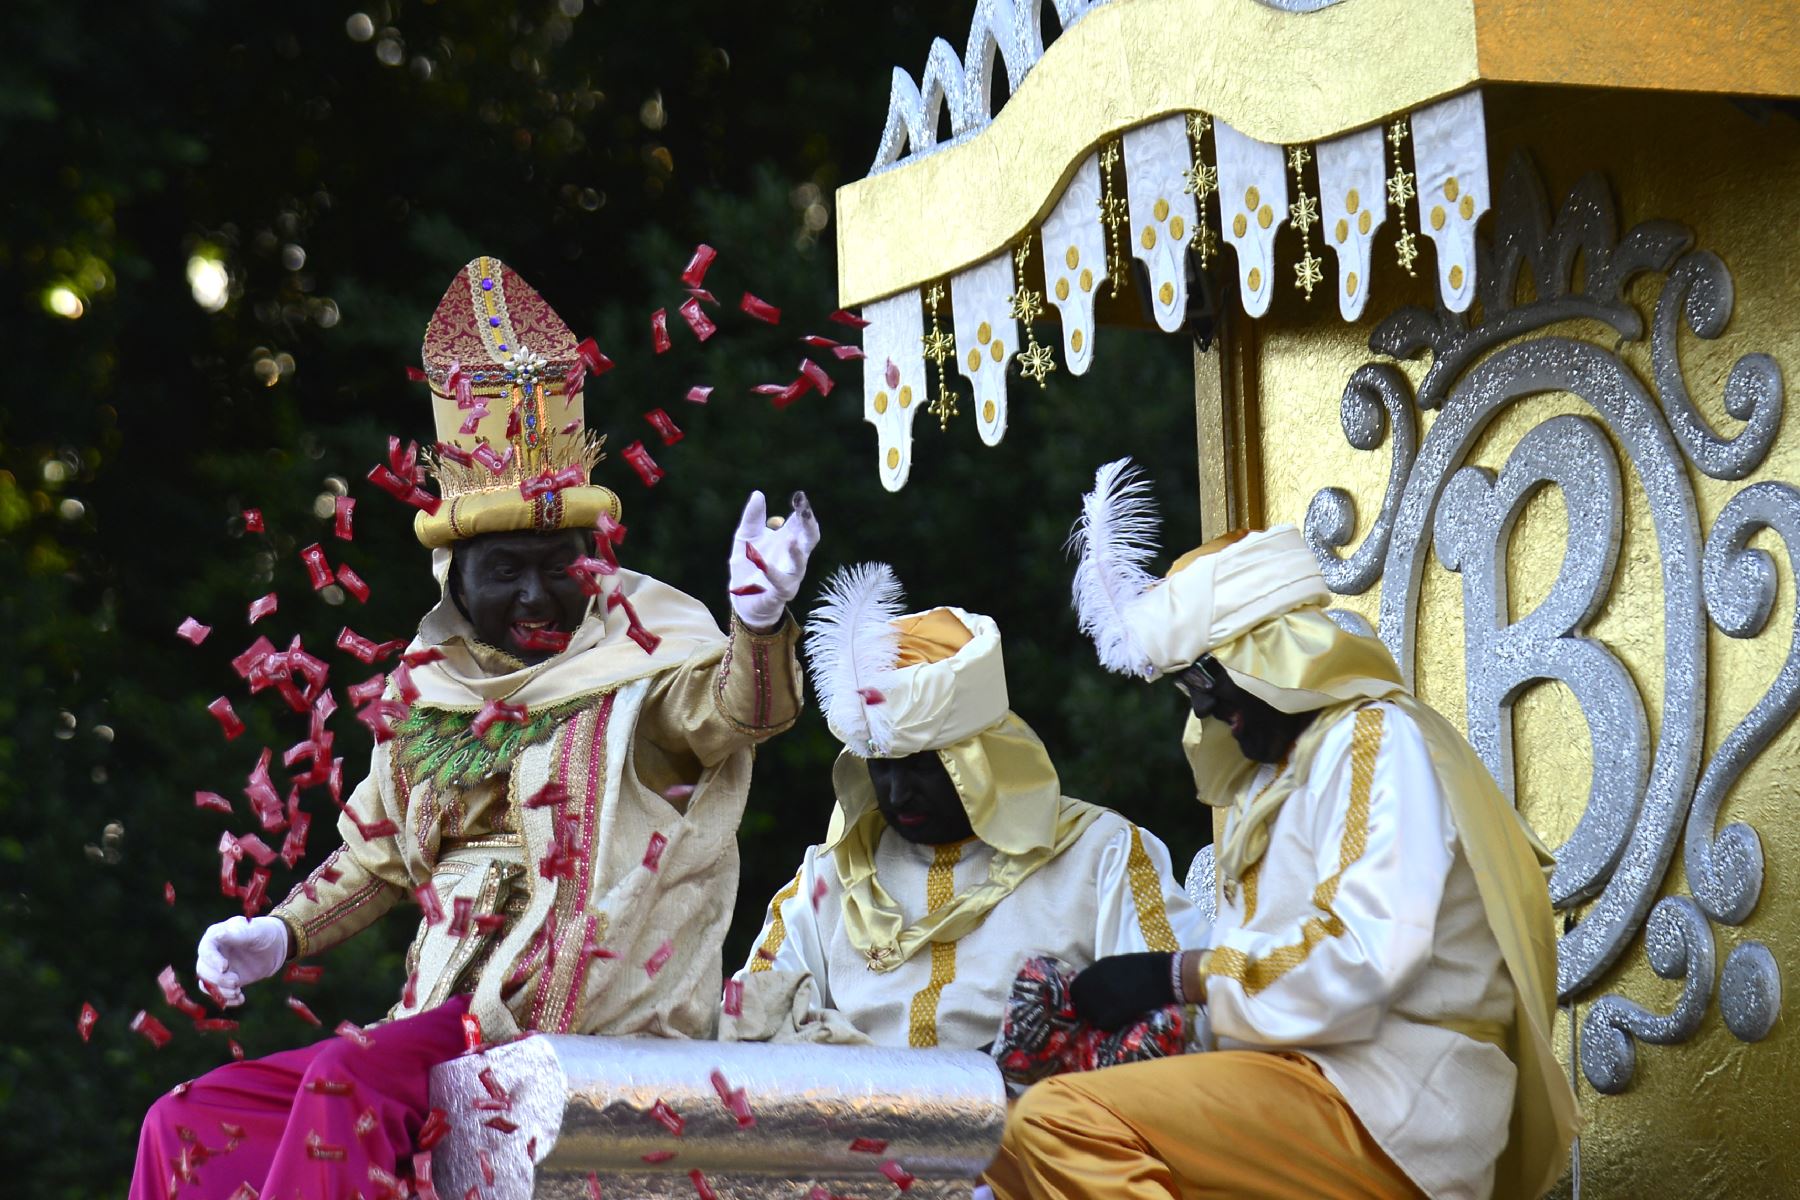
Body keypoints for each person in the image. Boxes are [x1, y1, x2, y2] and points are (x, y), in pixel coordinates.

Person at [131, 257, 819, 1200]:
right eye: (506, 572)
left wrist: (760, 622)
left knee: (343, 1082)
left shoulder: (641, 662)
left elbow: (741, 712)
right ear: (455, 580)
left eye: (558, 566)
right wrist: (283, 935)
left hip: (558, 1018)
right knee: (186, 1122)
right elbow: (375, 853)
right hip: (438, 1021)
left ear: (593, 562)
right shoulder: (425, 688)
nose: (537, 594)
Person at [985, 459, 1577, 1200]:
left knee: (1062, 1123)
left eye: (1205, 681)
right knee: (1000, 1142)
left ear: (1269, 656)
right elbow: (1259, 999)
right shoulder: (1278, 778)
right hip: (1297, 1092)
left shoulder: (1374, 739)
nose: (1203, 710)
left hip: (1392, 1106)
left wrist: (1177, 977)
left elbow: (1364, 957)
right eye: (1186, 691)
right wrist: (1117, 1035)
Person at [720, 562, 1204, 1054]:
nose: (897, 791)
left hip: (1041, 1126)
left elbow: (1177, 1026)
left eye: (924, 767)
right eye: (881, 767)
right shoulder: (827, 879)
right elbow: (752, 1023)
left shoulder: (1102, 854)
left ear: (987, 758)